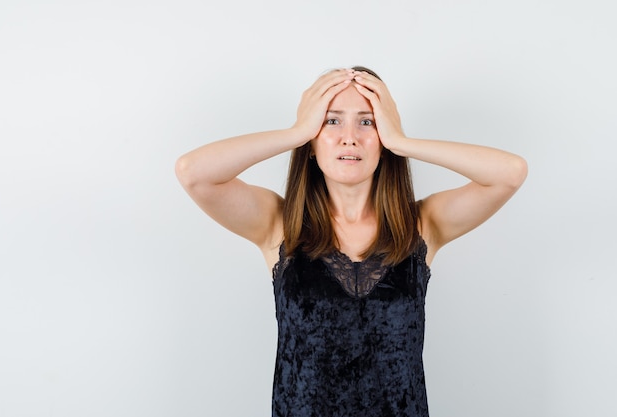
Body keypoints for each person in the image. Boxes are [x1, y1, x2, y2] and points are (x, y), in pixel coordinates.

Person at [175, 66, 527, 417]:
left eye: (367, 122)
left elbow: (510, 173)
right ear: (311, 142)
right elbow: (194, 172)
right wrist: (296, 131)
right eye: (331, 121)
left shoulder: (422, 225)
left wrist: (402, 141)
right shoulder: (280, 226)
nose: (349, 137)